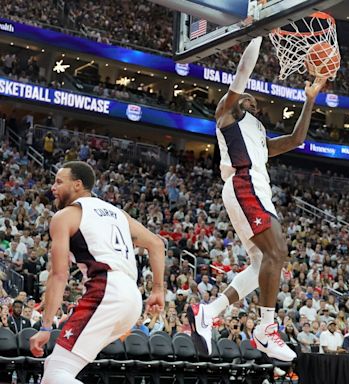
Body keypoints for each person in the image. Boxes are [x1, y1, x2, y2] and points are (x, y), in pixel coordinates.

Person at [188, 36, 326, 362]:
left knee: (264, 261)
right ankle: (265, 327)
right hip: (242, 182)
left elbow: (297, 139)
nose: (250, 101)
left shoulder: (260, 135)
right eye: (244, 97)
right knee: (277, 250)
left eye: (253, 100)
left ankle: (209, 312)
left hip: (256, 190)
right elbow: (242, 72)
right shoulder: (227, 115)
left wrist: (309, 100)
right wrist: (259, 33)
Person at [29, 161, 165, 384]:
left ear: (77, 185)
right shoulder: (118, 214)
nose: (53, 187)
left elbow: (59, 275)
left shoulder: (65, 217)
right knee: (61, 368)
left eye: (58, 182)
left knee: (55, 373)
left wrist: (45, 326)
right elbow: (157, 244)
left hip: (107, 290)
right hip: (131, 297)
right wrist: (158, 289)